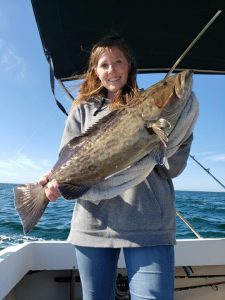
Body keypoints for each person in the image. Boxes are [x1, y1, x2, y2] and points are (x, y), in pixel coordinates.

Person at [38, 35, 197, 300]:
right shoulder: (82, 110)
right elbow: (67, 160)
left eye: (118, 61)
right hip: (93, 224)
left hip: (148, 224)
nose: (112, 70)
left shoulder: (160, 107)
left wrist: (180, 134)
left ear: (130, 65)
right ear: (95, 71)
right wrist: (55, 181)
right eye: (104, 64)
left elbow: (171, 169)